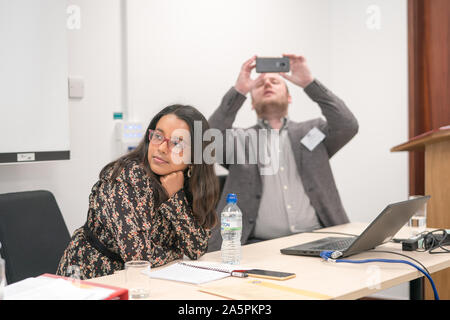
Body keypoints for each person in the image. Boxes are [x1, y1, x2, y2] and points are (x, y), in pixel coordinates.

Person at [207, 54, 359, 252]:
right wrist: (239, 90)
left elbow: (348, 125)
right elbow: (205, 141)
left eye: (275, 81)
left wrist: (309, 83)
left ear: (289, 98)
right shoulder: (238, 139)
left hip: (319, 241)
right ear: (251, 103)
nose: (267, 84)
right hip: (256, 247)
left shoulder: (314, 130)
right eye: (260, 84)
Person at [57, 105, 219, 279]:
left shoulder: (185, 181)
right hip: (93, 278)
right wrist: (176, 253)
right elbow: (139, 258)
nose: (162, 148)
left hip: (147, 279)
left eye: (177, 143)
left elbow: (197, 248)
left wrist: (175, 197)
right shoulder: (124, 178)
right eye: (158, 136)